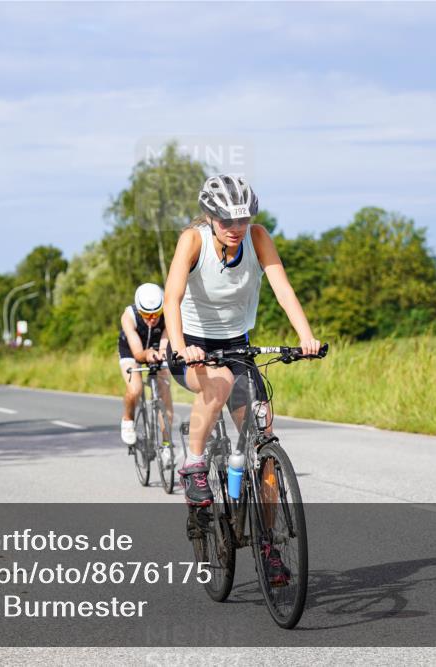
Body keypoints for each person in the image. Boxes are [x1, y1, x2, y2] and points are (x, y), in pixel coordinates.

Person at [164, 174, 320, 585]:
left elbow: (282, 287)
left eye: (244, 219)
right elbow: (172, 297)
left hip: (237, 344)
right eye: (228, 220)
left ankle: (268, 545)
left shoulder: (257, 237)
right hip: (192, 345)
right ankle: (194, 466)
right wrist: (181, 346)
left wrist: (305, 336)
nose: (237, 228)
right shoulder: (192, 241)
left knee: (263, 436)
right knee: (216, 385)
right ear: (211, 217)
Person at [118, 283, 175, 465]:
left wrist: (160, 356)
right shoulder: (129, 316)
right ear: (139, 311)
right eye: (147, 315)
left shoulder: (167, 315)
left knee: (165, 395)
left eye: (156, 314)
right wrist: (147, 354)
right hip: (131, 351)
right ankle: (128, 419)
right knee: (134, 389)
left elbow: (166, 344)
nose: (152, 319)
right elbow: (137, 353)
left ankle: (167, 445)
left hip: (157, 348)